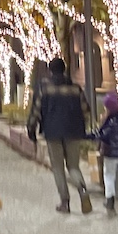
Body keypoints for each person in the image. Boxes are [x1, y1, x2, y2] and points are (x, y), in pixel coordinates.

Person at [27, 57, 93, 214]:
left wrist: (31, 128)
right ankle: (83, 191)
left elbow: (35, 110)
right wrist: (81, 126)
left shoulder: (44, 89)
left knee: (58, 168)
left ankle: (65, 202)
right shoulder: (76, 89)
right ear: (64, 70)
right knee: (73, 166)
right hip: (73, 133)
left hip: (53, 133)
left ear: (50, 71)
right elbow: (86, 111)